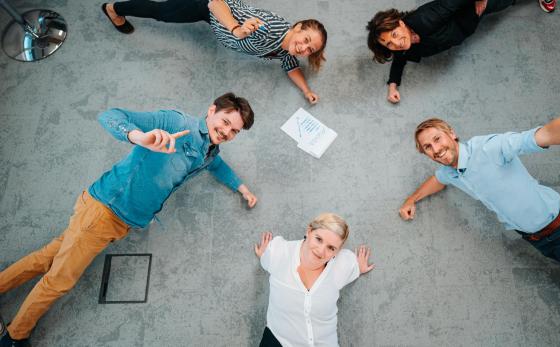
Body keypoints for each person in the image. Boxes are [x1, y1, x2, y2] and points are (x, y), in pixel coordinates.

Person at [0, 93, 259, 346]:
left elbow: (216, 165)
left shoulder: (209, 151)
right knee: (60, 280)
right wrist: (139, 137)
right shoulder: (176, 122)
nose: (226, 132)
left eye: (234, 131)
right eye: (226, 122)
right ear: (212, 110)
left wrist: (242, 188)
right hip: (104, 211)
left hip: (120, 220)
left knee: (47, 256)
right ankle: (15, 336)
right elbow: (111, 116)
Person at [399, 73, 560, 330]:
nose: (435, 149)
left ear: (452, 134)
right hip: (537, 239)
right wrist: (411, 199)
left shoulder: (489, 148)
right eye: (427, 147)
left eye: (437, 139)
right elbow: (437, 180)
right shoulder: (450, 171)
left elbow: (546, 134)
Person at [101, 0, 327, 104]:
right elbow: (216, 4)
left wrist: (306, 91)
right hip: (207, 8)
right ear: (297, 27)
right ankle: (113, 8)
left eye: (310, 49)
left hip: (216, 24)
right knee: (162, 12)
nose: (304, 49)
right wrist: (237, 30)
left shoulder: (286, 49)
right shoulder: (270, 27)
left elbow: (291, 66)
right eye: (306, 40)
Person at [366, 0, 555, 104]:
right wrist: (393, 85)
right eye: (389, 44)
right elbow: (400, 58)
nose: (396, 43)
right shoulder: (406, 45)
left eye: (395, 34)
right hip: (466, 25)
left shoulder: (425, 19)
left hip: (473, 10)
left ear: (400, 23)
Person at [254, 213, 375, 346]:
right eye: (319, 239)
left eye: (331, 248)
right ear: (309, 231)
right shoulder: (278, 253)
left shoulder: (341, 266)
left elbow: (354, 267)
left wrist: (359, 268)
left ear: (337, 251)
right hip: (279, 341)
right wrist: (264, 254)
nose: (321, 251)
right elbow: (266, 259)